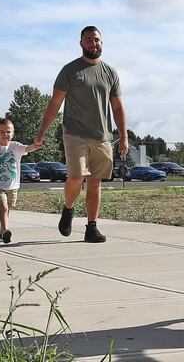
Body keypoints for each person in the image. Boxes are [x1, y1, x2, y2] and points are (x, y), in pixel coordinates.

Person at [36, 26, 129, 243]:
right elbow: (55, 102)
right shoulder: (70, 70)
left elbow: (117, 107)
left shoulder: (110, 72)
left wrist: (123, 136)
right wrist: (42, 130)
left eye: (96, 40)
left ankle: (91, 227)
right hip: (75, 133)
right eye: (88, 40)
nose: (93, 43)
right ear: (81, 43)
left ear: (102, 43)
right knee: (77, 176)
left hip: (102, 136)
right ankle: (68, 208)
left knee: (95, 183)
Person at [0, 118, 41, 243]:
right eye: (1, 132)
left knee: (7, 210)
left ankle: (2, 232)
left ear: (12, 133)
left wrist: (36, 146)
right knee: (3, 208)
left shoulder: (15, 146)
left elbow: (27, 148)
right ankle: (6, 231)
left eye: (8, 132)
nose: (5, 134)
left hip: (13, 186)